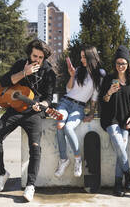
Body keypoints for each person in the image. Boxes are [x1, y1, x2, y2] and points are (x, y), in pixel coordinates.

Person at [0, 39, 56, 202]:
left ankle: (30, 185)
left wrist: (43, 105)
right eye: (35, 56)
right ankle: (1, 173)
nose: (37, 60)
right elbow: (4, 81)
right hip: (15, 109)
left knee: (35, 147)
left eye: (41, 57)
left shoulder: (49, 72)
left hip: (34, 113)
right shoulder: (21, 64)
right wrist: (24, 73)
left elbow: (49, 98)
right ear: (29, 54)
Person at [54, 46, 105, 178]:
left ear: (91, 57)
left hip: (79, 108)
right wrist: (71, 76)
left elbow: (95, 96)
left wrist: (92, 113)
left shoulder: (100, 74)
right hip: (65, 102)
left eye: (84, 57)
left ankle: (77, 158)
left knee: (68, 127)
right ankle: (63, 159)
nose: (82, 59)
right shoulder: (78, 71)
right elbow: (68, 89)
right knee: (60, 125)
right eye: (81, 57)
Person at [99, 45, 130, 197]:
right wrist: (109, 92)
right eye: (118, 63)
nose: (121, 66)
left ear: (128, 65)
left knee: (121, 151)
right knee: (119, 145)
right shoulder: (108, 79)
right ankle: (128, 172)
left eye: (123, 63)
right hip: (110, 118)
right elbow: (103, 100)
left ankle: (117, 184)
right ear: (115, 64)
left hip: (125, 119)